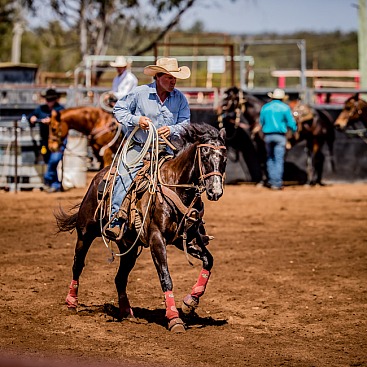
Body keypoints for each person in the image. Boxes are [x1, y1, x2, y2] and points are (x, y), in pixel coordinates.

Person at [104, 57, 191, 240]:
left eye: (174, 78)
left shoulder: (180, 98)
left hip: (167, 150)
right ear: (158, 77)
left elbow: (185, 123)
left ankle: (189, 221)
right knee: (125, 176)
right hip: (139, 147)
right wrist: (137, 120)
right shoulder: (140, 93)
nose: (173, 81)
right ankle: (116, 220)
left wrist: (173, 129)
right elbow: (119, 110)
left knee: (188, 178)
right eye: (169, 77)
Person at [28, 89, 66, 193]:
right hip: (45, 140)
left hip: (58, 140)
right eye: (48, 100)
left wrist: (51, 121)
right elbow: (30, 116)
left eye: (51, 100)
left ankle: (47, 179)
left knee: (54, 160)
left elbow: (63, 123)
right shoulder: (41, 109)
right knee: (49, 160)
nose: (49, 102)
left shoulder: (61, 109)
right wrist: (32, 118)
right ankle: (55, 185)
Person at [259, 88, 297, 190]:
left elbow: (261, 122)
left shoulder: (265, 107)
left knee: (270, 158)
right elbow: (291, 123)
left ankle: (271, 181)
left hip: (268, 136)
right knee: (278, 159)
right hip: (280, 136)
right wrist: (294, 131)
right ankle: (277, 183)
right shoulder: (285, 108)